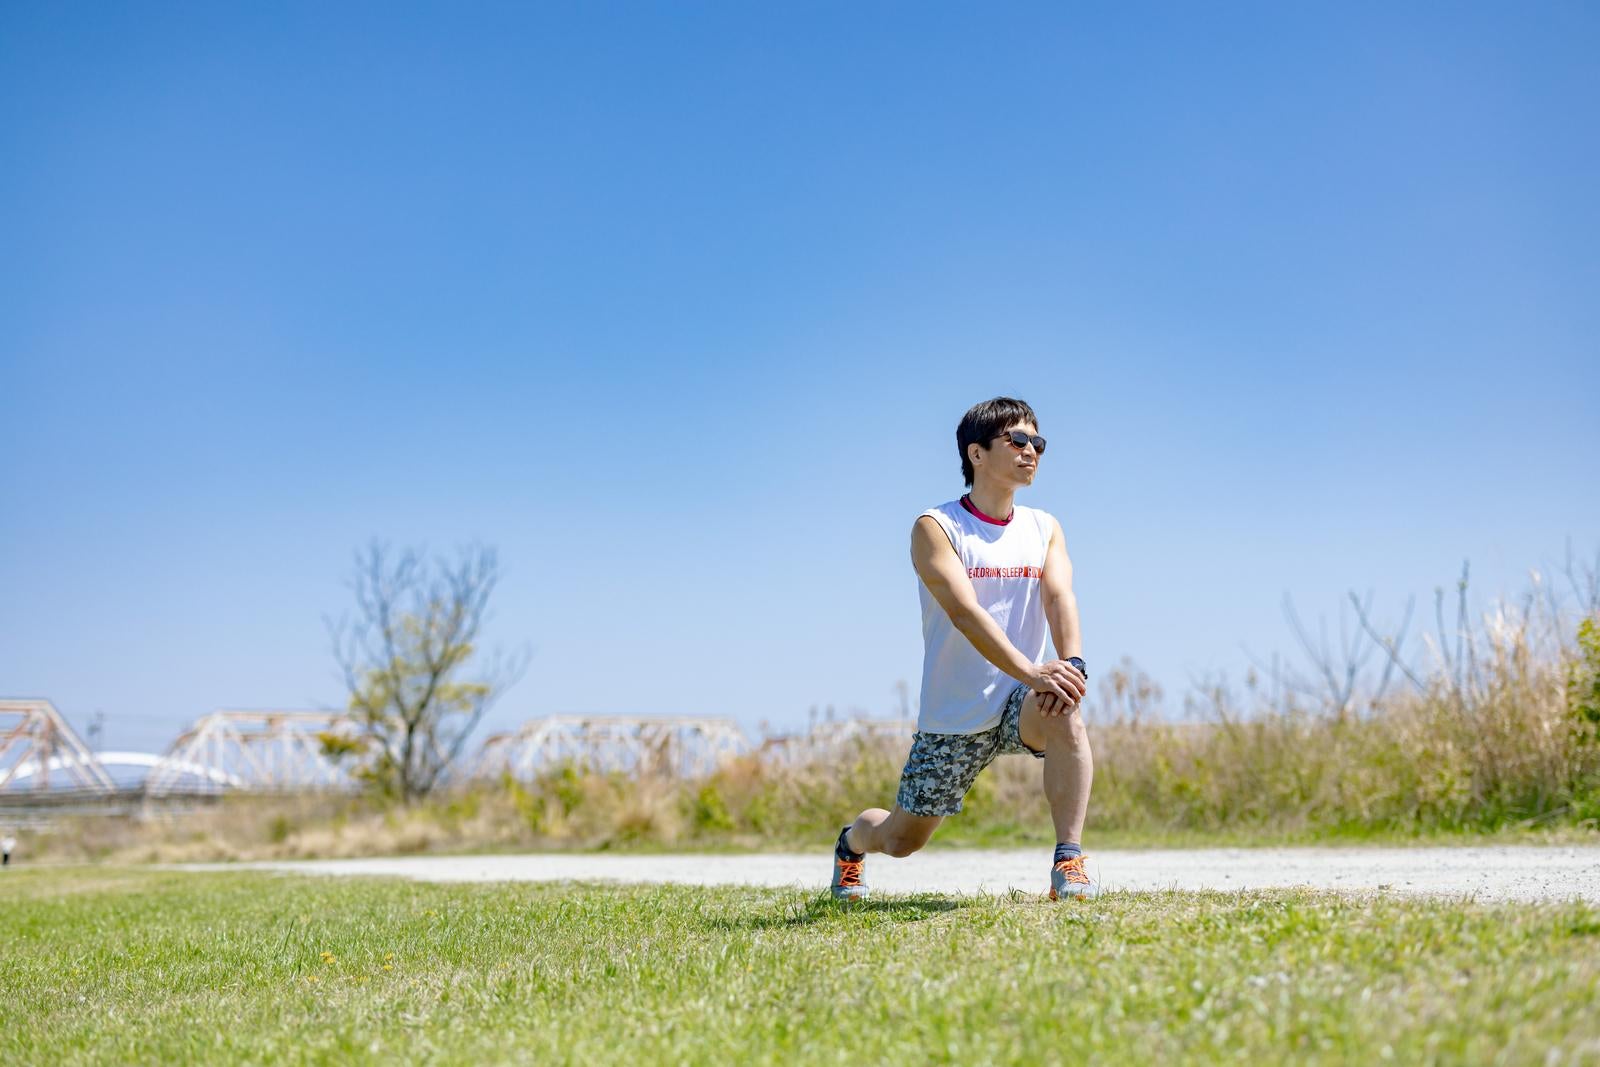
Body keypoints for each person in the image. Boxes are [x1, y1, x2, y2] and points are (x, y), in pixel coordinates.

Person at [832, 396, 1097, 901]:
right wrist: (1034, 670)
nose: (1031, 451)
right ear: (976, 454)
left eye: (1038, 443)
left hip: (1023, 695)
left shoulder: (1045, 527)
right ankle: (851, 844)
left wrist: (1069, 664)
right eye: (1017, 441)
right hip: (954, 713)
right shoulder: (936, 527)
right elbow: (964, 612)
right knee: (901, 840)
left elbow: (1060, 594)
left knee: (1065, 706)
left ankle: (1070, 862)